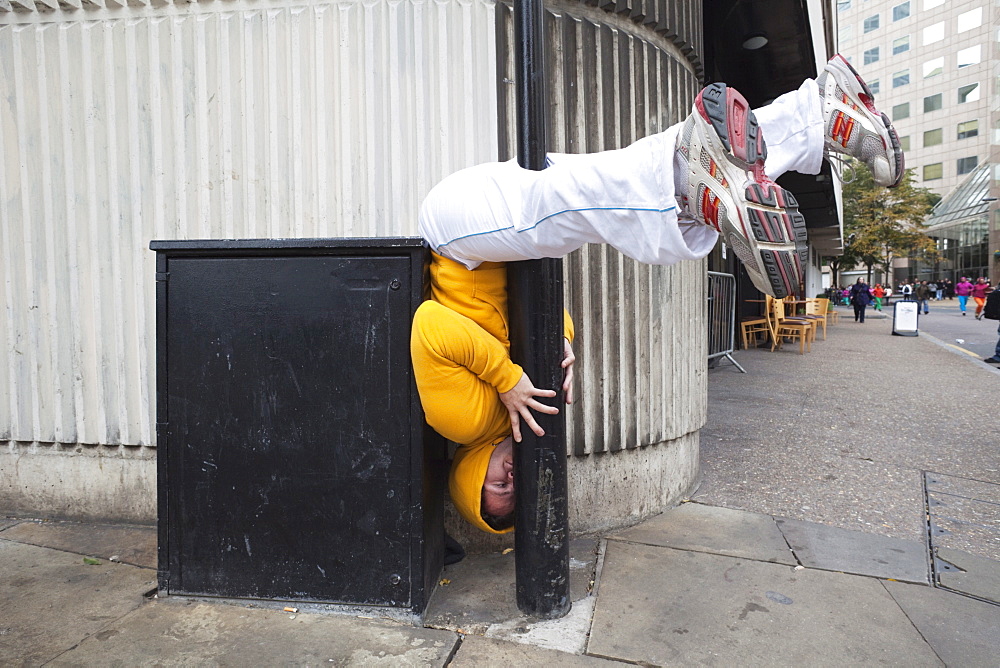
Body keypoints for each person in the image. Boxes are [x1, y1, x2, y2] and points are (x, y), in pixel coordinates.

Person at [412, 54, 903, 533]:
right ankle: (814, 115)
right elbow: (511, 306)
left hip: (452, 230)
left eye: (497, 493)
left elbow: (431, 328)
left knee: (558, 206)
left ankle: (691, 186)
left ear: (470, 482)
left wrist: (506, 379)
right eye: (517, 500)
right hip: (483, 237)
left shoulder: (466, 425)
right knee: (590, 189)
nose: (512, 486)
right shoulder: (518, 420)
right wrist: (554, 338)